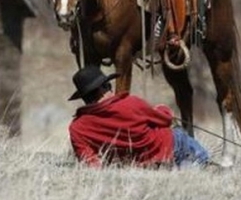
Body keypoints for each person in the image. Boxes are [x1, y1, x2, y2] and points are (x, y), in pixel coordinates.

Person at [67, 65, 210, 169]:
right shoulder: (131, 103)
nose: (111, 89)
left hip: (139, 166)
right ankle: (200, 165)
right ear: (102, 89)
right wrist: (163, 109)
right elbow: (165, 120)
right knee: (201, 159)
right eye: (108, 85)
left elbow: (90, 162)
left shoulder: (77, 128)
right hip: (171, 146)